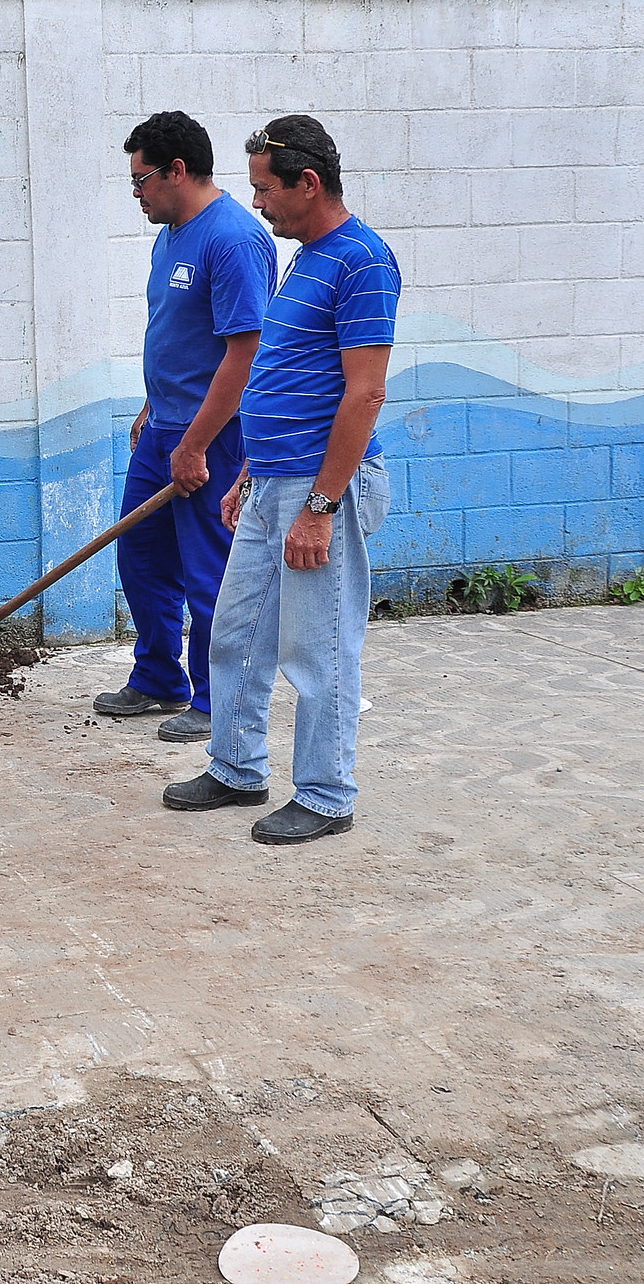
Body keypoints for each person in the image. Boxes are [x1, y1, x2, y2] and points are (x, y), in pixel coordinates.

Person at [161, 115, 397, 845]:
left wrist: (321, 507)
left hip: (319, 488)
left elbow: (363, 394)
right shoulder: (308, 256)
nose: (258, 205)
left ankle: (327, 795)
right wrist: (251, 475)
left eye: (267, 190)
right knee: (234, 635)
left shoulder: (362, 261)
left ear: (309, 183)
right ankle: (236, 768)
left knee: (318, 651)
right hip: (274, 482)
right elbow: (289, 376)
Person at [94, 111, 276, 745]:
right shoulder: (169, 234)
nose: (137, 192)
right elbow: (176, 335)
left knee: (209, 572)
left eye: (141, 179)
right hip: (163, 427)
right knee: (141, 555)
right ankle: (158, 676)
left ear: (177, 170)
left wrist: (196, 442)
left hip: (213, 437)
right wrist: (153, 406)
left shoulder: (233, 239)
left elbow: (244, 352)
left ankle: (212, 698)